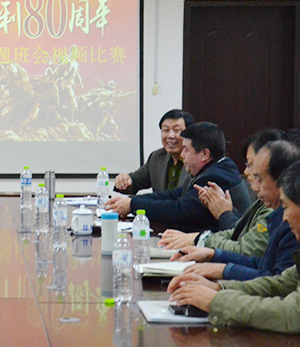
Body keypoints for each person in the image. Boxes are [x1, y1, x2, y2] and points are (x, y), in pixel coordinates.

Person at [169, 159, 300, 347]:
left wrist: (216, 302)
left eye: (286, 207)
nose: (284, 218)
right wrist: (219, 288)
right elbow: (282, 283)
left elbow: (296, 313)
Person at [170, 140, 300, 281]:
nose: (247, 174)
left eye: (258, 177)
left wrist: (221, 277)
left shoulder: (289, 218)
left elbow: (274, 279)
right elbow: (263, 263)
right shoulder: (274, 209)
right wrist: (214, 254)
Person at [159, 129, 286, 254]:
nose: (246, 172)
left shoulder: (275, 206)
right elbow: (243, 233)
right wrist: (223, 211)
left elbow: (246, 249)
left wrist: (223, 214)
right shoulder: (263, 202)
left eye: (251, 165)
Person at [105, 122, 243, 232]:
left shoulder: (216, 176)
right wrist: (131, 201)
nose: (182, 155)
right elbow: (174, 195)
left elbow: (180, 211)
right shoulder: (210, 169)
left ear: (204, 154)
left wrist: (132, 205)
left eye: (186, 150)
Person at [114, 109, 195, 195]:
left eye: (176, 130)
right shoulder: (157, 157)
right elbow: (135, 181)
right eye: (166, 130)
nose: (170, 136)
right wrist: (124, 180)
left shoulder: (196, 160)